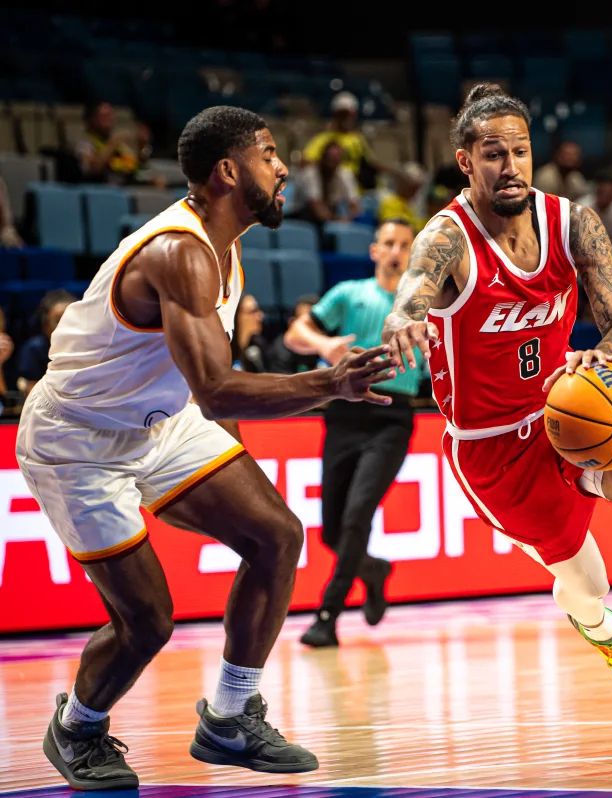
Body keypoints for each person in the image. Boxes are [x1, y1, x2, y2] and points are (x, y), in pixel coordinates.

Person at [16, 105, 393, 790]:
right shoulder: (180, 252)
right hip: (78, 440)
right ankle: (76, 728)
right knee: (146, 623)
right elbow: (218, 390)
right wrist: (329, 383)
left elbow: (212, 391)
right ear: (228, 171)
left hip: (160, 424)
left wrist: (234, 473)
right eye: (269, 154)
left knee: (276, 534)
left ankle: (229, 718)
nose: (284, 168)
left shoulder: (227, 245)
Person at [381, 84, 612, 731]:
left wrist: (602, 355)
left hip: (568, 409)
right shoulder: (448, 237)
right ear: (466, 161)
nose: (510, 165)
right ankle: (604, 631)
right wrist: (404, 321)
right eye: (494, 154)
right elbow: (411, 294)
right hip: (492, 448)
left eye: (519, 151)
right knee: (588, 582)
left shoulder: (573, 222)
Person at [284, 220, 423, 647]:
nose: (396, 251)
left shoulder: (422, 308)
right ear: (374, 250)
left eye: (404, 245)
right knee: (331, 531)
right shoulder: (349, 293)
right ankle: (373, 569)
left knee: (358, 513)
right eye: (389, 243)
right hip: (345, 413)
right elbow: (295, 334)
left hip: (392, 416)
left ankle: (327, 616)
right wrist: (323, 345)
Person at [302, 92, 390, 189]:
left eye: (349, 114)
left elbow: (371, 163)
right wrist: (331, 168)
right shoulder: (323, 138)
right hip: (337, 187)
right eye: (342, 114)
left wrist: (392, 171)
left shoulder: (358, 139)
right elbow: (306, 161)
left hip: (360, 188)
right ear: (335, 115)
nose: (346, 118)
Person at [17, 290, 77, 396]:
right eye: (58, 320)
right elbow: (31, 389)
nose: (66, 325)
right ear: (45, 325)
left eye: (71, 320)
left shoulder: (87, 346)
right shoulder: (34, 349)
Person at [288, 139, 361, 224]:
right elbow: (316, 207)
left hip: (330, 214)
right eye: (329, 159)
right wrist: (339, 220)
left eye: (336, 159)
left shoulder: (345, 174)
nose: (332, 164)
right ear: (323, 158)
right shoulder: (310, 174)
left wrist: (351, 218)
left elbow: (354, 204)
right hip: (302, 217)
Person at [266, 295, 321, 374]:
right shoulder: (279, 352)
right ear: (292, 323)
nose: (313, 328)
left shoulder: (330, 344)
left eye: (317, 323)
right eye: (306, 323)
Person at [377, 162, 429, 230]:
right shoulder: (390, 203)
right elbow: (398, 227)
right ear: (402, 183)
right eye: (412, 187)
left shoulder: (409, 204)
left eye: (417, 188)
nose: (415, 192)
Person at [231, 293, 268, 372]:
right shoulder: (223, 351)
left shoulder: (258, 346)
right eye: (253, 311)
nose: (260, 316)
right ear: (236, 315)